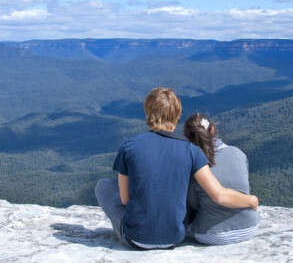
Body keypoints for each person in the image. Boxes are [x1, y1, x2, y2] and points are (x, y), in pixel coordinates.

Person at [95, 87, 258, 249]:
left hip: (136, 239)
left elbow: (125, 200)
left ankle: (121, 232)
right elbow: (217, 194)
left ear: (147, 113)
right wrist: (251, 200)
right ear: (178, 116)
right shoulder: (192, 150)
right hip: (174, 238)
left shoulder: (129, 147)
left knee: (103, 185)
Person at [184, 113, 260, 245]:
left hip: (210, 234)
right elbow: (244, 188)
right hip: (250, 228)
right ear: (212, 129)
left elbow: (193, 203)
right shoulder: (237, 153)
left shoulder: (192, 164)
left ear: (187, 136)